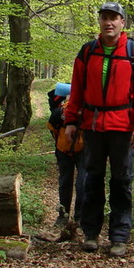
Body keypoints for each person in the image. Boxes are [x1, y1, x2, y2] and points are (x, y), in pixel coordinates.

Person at [63, 2, 134, 257]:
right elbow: (77, 88)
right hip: (92, 126)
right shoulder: (88, 51)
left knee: (122, 182)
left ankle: (119, 237)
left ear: (123, 22)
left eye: (114, 18)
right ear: (99, 22)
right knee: (92, 180)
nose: (108, 22)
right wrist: (71, 121)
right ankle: (90, 234)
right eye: (104, 18)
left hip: (123, 127)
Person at [46, 87, 86, 229]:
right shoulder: (58, 114)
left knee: (81, 184)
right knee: (66, 183)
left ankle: (77, 217)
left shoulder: (87, 113)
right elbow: (53, 129)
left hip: (82, 152)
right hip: (64, 151)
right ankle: (65, 215)